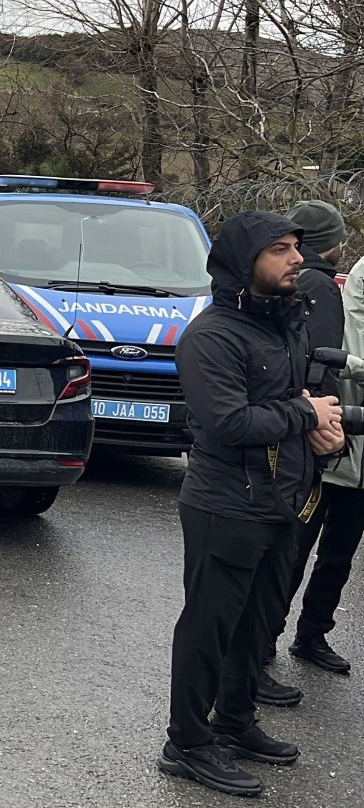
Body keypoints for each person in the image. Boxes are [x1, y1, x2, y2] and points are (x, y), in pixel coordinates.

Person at [159, 211, 346, 798]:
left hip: (283, 499)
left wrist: (324, 430)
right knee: (210, 626)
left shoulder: (286, 323)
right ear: (245, 263)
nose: (296, 259)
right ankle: (187, 743)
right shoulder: (211, 336)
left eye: (296, 247)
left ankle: (235, 723)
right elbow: (227, 420)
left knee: (258, 623)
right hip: (226, 503)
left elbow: (293, 400)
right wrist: (304, 416)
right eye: (280, 250)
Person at [268, 200, 362, 677]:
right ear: (336, 244)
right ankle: (275, 641)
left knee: (329, 549)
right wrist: (331, 433)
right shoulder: (323, 289)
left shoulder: (302, 284)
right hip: (334, 443)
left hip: (338, 442)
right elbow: (322, 366)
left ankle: (299, 635)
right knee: (306, 548)